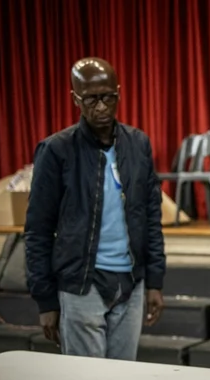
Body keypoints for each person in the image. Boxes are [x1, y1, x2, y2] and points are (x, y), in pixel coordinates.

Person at [25, 57, 166, 361]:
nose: (101, 106)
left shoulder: (138, 143)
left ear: (118, 92)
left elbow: (151, 217)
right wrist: (45, 301)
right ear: (75, 98)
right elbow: (37, 230)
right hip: (81, 283)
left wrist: (155, 280)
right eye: (90, 99)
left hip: (131, 282)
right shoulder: (56, 150)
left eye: (108, 97)